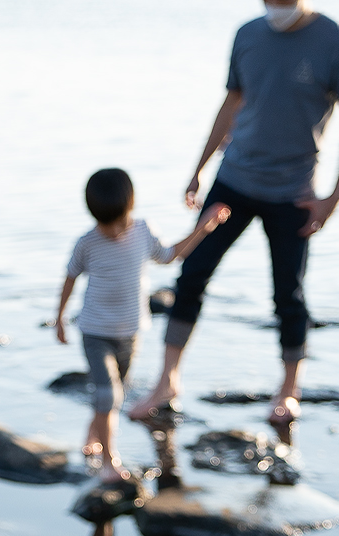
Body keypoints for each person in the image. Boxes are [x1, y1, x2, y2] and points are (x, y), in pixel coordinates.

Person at [126, 0, 339, 445]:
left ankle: (289, 390)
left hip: (293, 191)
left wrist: (334, 197)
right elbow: (233, 101)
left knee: (287, 293)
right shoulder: (247, 34)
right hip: (232, 180)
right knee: (191, 275)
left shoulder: (337, 42)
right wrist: (200, 166)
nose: (274, 6)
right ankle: (167, 381)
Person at [54, 167, 230, 481]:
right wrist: (59, 318)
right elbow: (69, 278)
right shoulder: (87, 243)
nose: (112, 231)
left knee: (112, 391)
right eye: (104, 225)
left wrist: (204, 228)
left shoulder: (143, 231)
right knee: (110, 396)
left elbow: (170, 255)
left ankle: (92, 434)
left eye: (117, 222)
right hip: (95, 332)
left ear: (129, 208)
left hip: (130, 333)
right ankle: (110, 462)